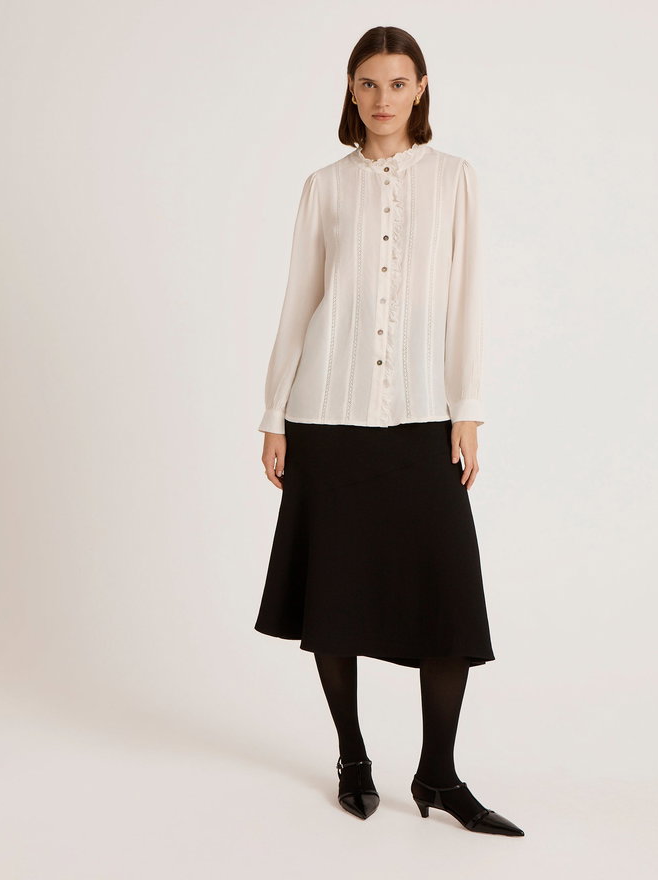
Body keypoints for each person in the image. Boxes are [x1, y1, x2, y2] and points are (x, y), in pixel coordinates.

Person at [254, 26, 524, 837]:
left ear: (421, 89)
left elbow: (468, 297)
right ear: (351, 89)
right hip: (325, 416)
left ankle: (438, 773)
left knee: (450, 599)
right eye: (368, 83)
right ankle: (352, 758)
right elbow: (299, 300)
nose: (382, 99)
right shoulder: (324, 187)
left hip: (421, 415)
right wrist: (274, 414)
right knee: (332, 593)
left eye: (398, 83)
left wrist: (467, 409)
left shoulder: (454, 180)